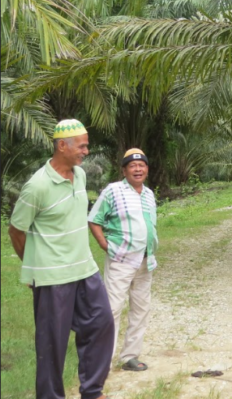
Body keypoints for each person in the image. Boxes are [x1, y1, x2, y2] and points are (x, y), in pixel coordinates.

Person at [7, 119, 114, 399]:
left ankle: (92, 390)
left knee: (101, 323)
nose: (86, 151)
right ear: (62, 146)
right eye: (82, 146)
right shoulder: (37, 186)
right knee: (51, 345)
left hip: (85, 269)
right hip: (52, 277)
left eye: (87, 146)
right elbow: (17, 230)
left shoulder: (79, 175)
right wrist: (35, 266)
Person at [88, 148, 158, 372]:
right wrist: (104, 245)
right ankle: (103, 363)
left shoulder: (148, 193)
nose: (138, 169)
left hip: (145, 261)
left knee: (141, 309)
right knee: (113, 309)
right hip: (121, 260)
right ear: (124, 170)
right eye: (132, 166)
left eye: (142, 165)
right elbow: (94, 220)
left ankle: (130, 356)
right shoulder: (113, 191)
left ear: (147, 169)